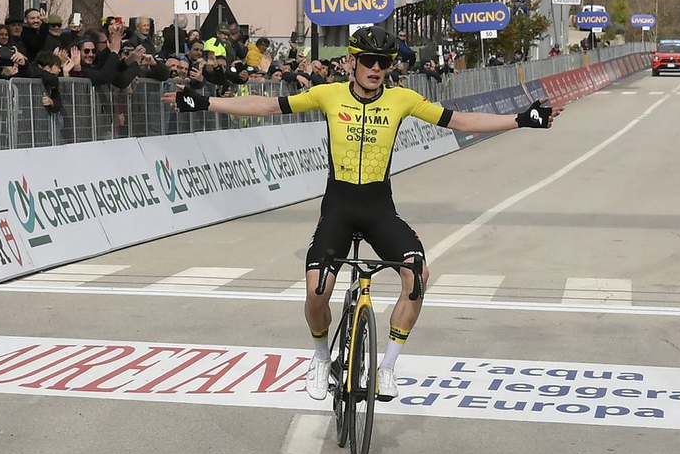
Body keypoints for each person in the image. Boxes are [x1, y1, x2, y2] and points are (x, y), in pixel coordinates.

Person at [163, 24, 558, 404]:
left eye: (383, 62)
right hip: (338, 208)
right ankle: (321, 357)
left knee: (418, 275)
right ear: (352, 61)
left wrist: (520, 119)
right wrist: (205, 101)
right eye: (368, 60)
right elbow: (267, 105)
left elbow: (460, 120)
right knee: (317, 291)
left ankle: (387, 366)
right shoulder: (329, 95)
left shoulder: (402, 99)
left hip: (378, 208)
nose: (375, 68)